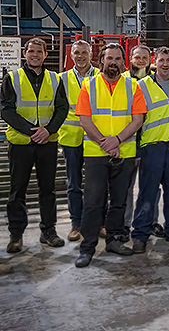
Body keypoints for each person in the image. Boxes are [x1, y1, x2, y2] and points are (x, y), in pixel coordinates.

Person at [74, 43, 145, 267]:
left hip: (123, 151)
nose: (113, 62)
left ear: (123, 62)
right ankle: (87, 248)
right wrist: (106, 143)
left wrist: (117, 140)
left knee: (119, 201)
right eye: (109, 58)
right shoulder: (89, 85)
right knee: (94, 202)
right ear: (101, 60)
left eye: (117, 59)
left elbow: (138, 120)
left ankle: (114, 240)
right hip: (96, 153)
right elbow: (84, 119)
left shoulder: (133, 86)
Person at [2, 37, 67, 253]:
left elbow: (62, 108)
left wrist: (47, 131)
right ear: (24, 53)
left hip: (47, 143)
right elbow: (6, 110)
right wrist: (32, 131)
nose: (35, 55)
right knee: (17, 190)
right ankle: (16, 234)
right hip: (21, 143)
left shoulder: (55, 79)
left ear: (46, 55)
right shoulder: (12, 78)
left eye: (39, 52)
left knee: (47, 189)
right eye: (31, 51)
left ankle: (48, 231)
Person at [131, 47, 169, 254]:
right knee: (148, 193)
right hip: (152, 146)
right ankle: (140, 234)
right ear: (154, 62)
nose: (165, 64)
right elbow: (137, 121)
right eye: (161, 60)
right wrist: (138, 151)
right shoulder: (142, 85)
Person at [59, 40, 99, 242]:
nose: (81, 56)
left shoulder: (101, 77)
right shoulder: (61, 79)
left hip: (95, 139)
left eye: (84, 52)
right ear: (71, 55)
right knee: (74, 184)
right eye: (77, 53)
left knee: (97, 184)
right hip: (71, 139)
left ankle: (98, 223)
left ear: (91, 54)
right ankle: (76, 223)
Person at [123, 44, 153, 238]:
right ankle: (124, 224)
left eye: (144, 58)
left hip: (150, 141)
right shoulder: (123, 80)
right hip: (127, 141)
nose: (141, 61)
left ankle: (149, 222)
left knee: (150, 187)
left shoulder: (155, 80)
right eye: (137, 57)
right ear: (131, 59)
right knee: (125, 187)